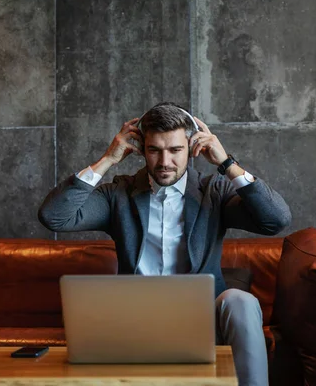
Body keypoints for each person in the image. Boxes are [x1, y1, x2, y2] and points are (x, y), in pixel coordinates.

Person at [38, 102, 291, 386]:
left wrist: (227, 164)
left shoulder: (213, 192)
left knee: (241, 301)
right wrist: (107, 159)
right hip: (136, 322)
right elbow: (54, 217)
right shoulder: (118, 194)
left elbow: (276, 220)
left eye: (175, 150)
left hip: (204, 323)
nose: (164, 162)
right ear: (141, 148)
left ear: (194, 147)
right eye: (154, 150)